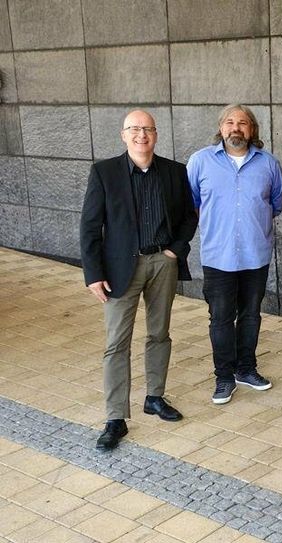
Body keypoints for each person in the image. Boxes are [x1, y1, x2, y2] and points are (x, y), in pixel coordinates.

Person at [79, 110, 197, 450]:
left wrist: (175, 250)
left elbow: (189, 216)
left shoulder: (175, 172)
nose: (141, 135)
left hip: (163, 262)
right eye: (134, 129)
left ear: (156, 134)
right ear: (123, 135)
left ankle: (154, 397)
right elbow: (90, 226)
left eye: (146, 129)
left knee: (159, 334)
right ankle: (116, 417)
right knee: (117, 342)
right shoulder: (104, 173)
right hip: (119, 269)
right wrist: (93, 273)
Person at [187, 104, 282, 405]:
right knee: (220, 319)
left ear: (252, 130)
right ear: (221, 128)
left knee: (251, 315)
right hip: (218, 257)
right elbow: (191, 202)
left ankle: (246, 369)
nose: (236, 128)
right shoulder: (201, 161)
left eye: (243, 123)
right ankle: (224, 378)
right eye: (230, 122)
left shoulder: (268, 164)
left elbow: (277, 204)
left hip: (256, 256)